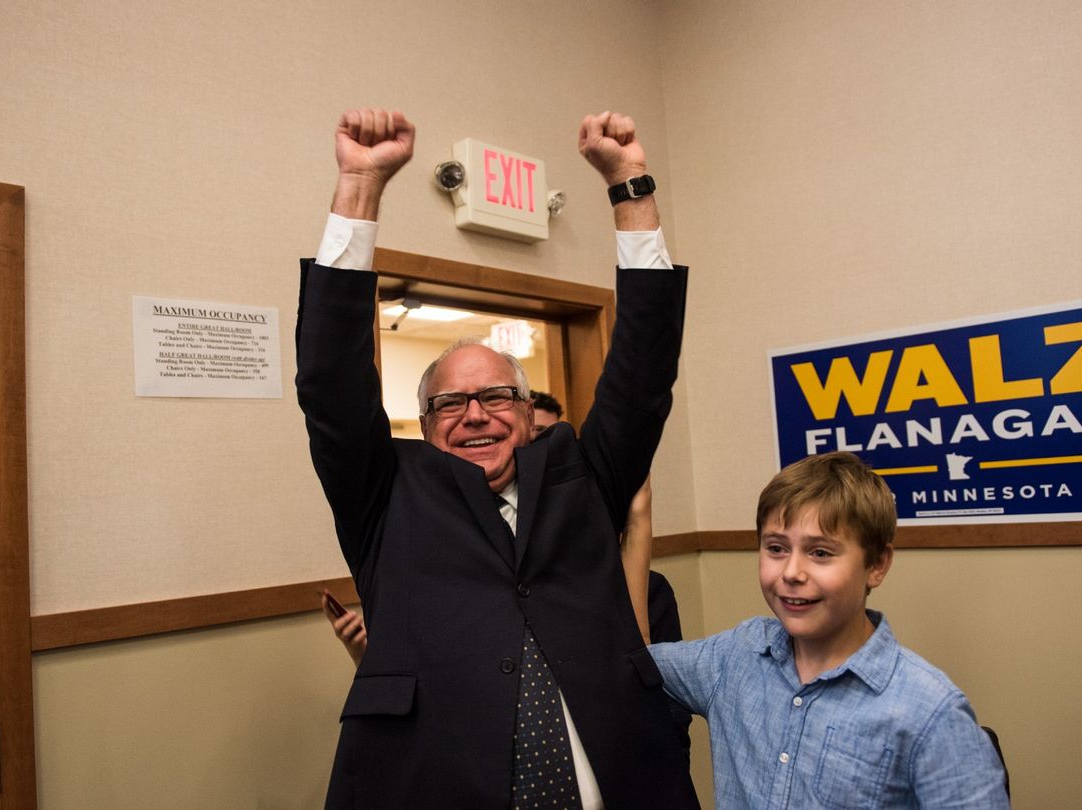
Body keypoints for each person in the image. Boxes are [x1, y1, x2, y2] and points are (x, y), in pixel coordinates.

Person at [296, 107, 699, 809]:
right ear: (424, 426)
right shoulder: (386, 495)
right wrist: (360, 188)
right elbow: (330, 383)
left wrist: (631, 186)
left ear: (526, 410)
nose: (475, 414)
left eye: (495, 397)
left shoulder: (579, 477)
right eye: (451, 404)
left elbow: (643, 372)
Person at [644, 452, 1010, 809]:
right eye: (776, 548)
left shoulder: (930, 712)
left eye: (820, 553)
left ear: (877, 565)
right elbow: (630, 663)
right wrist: (636, 526)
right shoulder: (734, 657)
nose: (792, 572)